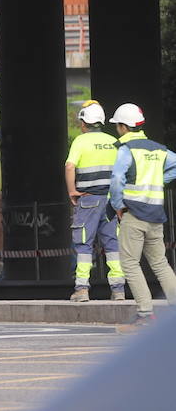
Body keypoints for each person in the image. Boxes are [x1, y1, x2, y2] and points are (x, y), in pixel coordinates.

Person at [107, 102, 176, 326]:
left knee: (130, 264)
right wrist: (159, 181)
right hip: (155, 215)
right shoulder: (159, 149)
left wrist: (118, 205)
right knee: (160, 264)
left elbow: (117, 179)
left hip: (134, 214)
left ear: (123, 127)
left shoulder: (126, 149)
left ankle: (145, 314)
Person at [65, 100, 124, 302]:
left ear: (84, 123)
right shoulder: (114, 142)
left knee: (83, 244)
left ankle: (82, 289)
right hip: (110, 202)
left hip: (88, 200)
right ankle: (118, 289)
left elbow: (70, 166)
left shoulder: (80, 141)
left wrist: (72, 191)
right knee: (113, 243)